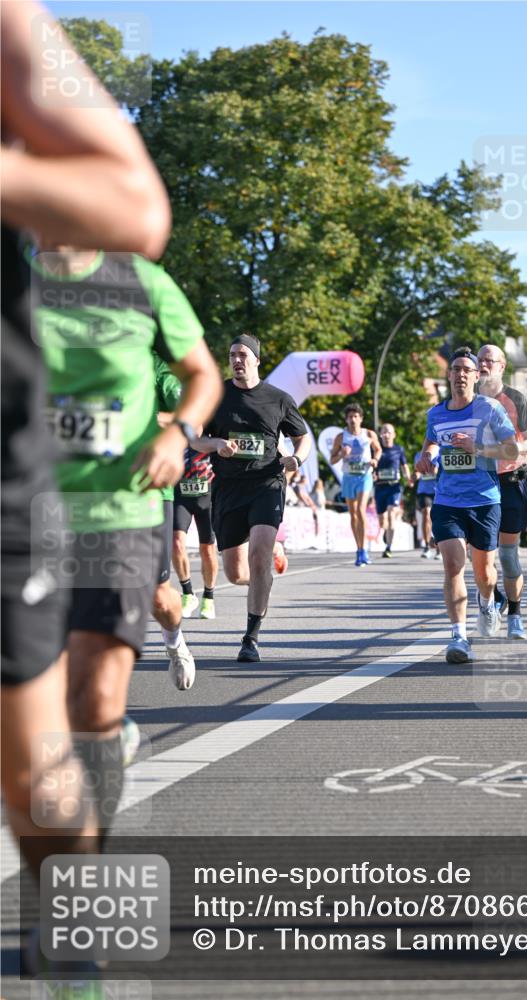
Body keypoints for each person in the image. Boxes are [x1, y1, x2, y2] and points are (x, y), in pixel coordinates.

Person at [1, 4, 171, 994]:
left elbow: (133, 202)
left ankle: (76, 954)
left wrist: (178, 427)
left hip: (54, 491)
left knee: (38, 767)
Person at [31, 246, 221, 843]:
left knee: (90, 698)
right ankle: (110, 735)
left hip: (124, 511)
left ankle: (81, 883)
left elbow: (201, 376)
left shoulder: (141, 283)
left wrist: (179, 434)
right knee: (46, 711)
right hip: (31, 518)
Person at [193, 334, 310, 662]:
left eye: (243, 354)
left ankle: (251, 638)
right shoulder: (217, 397)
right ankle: (273, 549)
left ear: (257, 360)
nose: (237, 360)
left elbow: (303, 438)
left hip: (267, 484)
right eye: (232, 355)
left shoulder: (278, 399)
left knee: (258, 558)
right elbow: (195, 438)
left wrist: (296, 459)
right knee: (235, 573)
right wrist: (215, 445)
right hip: (229, 490)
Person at [415, 347, 519, 664]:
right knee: (452, 565)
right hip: (448, 499)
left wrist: (478, 448)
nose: (460, 374)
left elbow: (512, 450)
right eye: (455, 369)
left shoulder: (489, 409)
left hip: (485, 500)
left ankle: (487, 602)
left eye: (466, 370)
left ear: (476, 376)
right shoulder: (436, 414)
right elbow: (430, 444)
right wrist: (426, 459)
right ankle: (459, 636)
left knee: (485, 573)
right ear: (449, 375)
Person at [477, 344, 527, 640]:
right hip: (476, 483)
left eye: (491, 360)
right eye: (481, 360)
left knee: (508, 556)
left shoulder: (516, 399)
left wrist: (517, 448)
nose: (485, 364)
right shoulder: (466, 400)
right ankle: (495, 598)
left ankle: (515, 614)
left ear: (502, 366)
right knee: (476, 554)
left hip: (511, 481)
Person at [150, 356, 199, 688]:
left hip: (147, 493)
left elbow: (191, 416)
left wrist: (146, 421)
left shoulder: (154, 366)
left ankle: (175, 643)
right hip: (82, 492)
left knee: (157, 596)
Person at [330, 403, 382, 566]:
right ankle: (359, 549)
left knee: (361, 510)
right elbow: (332, 459)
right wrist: (341, 454)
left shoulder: (368, 434)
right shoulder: (341, 436)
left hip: (364, 476)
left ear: (361, 418)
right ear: (346, 420)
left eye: (356, 416)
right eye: (350, 417)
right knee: (352, 514)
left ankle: (364, 550)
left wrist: (375, 460)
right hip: (348, 477)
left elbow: (378, 449)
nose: (353, 419)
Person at [172, 448, 218, 618]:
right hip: (181, 496)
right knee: (176, 543)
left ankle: (209, 597)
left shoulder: (211, 436)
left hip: (208, 498)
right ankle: (188, 593)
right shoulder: (178, 435)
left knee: (208, 550)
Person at [374, 423, 411, 558]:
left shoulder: (398, 449)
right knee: (382, 520)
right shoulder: (377, 450)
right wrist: (372, 473)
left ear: (394, 435)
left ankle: (388, 547)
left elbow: (404, 466)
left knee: (391, 514)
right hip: (380, 487)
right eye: (383, 432)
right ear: (380, 434)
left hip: (394, 486)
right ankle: (386, 532)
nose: (386, 434)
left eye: (389, 432)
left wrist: (408, 478)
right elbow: (372, 465)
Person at [414, 448, 439, 557]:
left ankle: (439, 548)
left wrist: (435, 469)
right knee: (426, 514)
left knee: (437, 518)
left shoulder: (440, 452)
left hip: (438, 490)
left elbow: (441, 470)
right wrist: (415, 475)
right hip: (424, 490)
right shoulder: (419, 454)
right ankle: (427, 546)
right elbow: (417, 471)